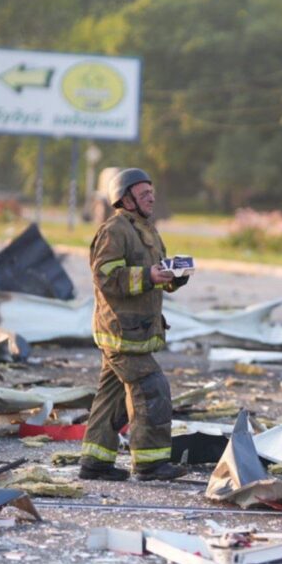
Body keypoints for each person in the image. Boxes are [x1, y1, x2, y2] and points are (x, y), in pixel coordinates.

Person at [79, 168, 188, 481]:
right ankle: (149, 464)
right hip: (121, 333)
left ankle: (94, 463)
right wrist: (149, 276)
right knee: (151, 389)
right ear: (124, 199)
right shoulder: (115, 230)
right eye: (143, 194)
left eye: (151, 193)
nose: (150, 198)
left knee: (111, 399)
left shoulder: (148, 230)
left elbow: (155, 276)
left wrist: (173, 277)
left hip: (136, 330)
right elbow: (105, 277)